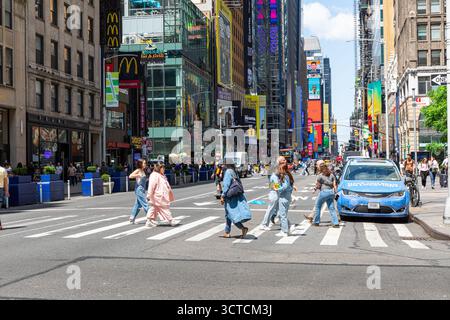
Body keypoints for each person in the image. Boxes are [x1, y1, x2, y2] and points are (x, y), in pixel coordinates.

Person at [220, 163, 251, 239]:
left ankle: (243, 228)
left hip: (230, 196)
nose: (222, 165)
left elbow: (226, 185)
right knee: (228, 214)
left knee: (231, 214)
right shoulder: (234, 171)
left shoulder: (228, 172)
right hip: (235, 194)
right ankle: (227, 232)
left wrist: (223, 195)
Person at [146, 162, 179, 227]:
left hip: (160, 195)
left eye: (164, 167)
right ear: (159, 168)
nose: (164, 169)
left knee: (153, 208)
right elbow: (151, 186)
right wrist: (149, 195)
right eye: (162, 167)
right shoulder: (154, 175)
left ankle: (149, 221)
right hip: (158, 195)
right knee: (164, 207)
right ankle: (170, 220)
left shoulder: (161, 175)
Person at [313, 162, 340, 228]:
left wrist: (314, 189)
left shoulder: (320, 175)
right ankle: (335, 223)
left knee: (318, 206)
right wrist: (335, 192)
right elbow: (334, 184)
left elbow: (318, 185)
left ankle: (316, 222)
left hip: (324, 192)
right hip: (331, 192)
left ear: (321, 169)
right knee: (331, 208)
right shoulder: (331, 175)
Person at [275, 163, 298, 237]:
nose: (279, 170)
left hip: (284, 197)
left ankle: (284, 231)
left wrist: (277, 189)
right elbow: (288, 187)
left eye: (280, 169)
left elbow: (284, 186)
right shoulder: (288, 176)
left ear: (283, 169)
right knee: (281, 214)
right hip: (287, 197)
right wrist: (276, 186)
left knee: (282, 215)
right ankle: (288, 227)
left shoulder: (285, 176)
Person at [129, 159, 150, 224]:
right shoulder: (138, 170)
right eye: (144, 163)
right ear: (140, 164)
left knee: (137, 205)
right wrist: (137, 175)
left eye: (145, 163)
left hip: (142, 189)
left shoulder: (143, 171)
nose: (145, 164)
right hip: (139, 189)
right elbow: (130, 176)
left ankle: (132, 218)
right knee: (145, 203)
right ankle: (150, 218)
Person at [0, 163, 9, 230]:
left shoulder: (3, 170)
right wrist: (6, 191)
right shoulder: (3, 170)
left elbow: (5, 181)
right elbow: (6, 182)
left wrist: (6, 191)